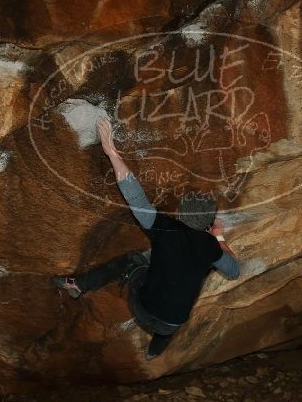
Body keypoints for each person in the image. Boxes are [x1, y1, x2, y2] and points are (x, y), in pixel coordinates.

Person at [51, 116, 240, 359]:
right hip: (172, 323)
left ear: (181, 213)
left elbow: (136, 198)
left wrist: (111, 152)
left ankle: (78, 285)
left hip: (144, 310)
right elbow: (234, 270)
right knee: (192, 279)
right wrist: (219, 238)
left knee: (132, 261)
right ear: (209, 222)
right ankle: (156, 348)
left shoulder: (165, 228)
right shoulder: (210, 247)